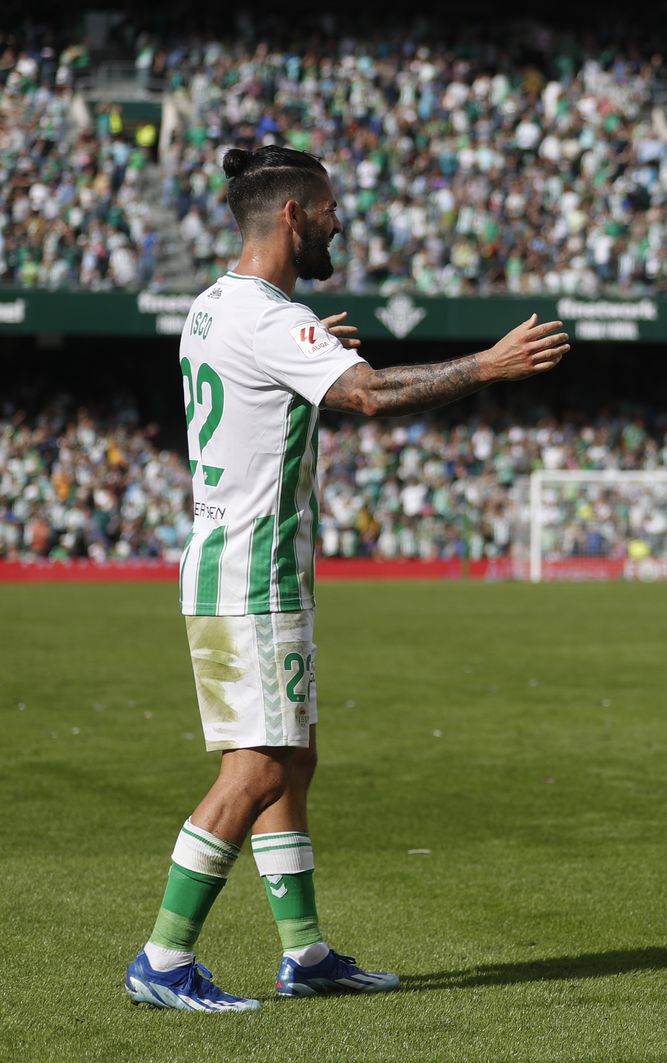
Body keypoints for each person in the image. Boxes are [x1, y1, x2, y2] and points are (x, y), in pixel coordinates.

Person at [124, 144, 570, 1012]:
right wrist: (489, 364)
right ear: (292, 213)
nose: (339, 222)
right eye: (329, 208)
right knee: (257, 770)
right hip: (253, 571)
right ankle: (163, 958)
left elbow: (265, 380)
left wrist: (307, 348)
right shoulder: (272, 319)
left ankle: (306, 953)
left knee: (292, 760)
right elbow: (367, 395)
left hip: (236, 563)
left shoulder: (214, 306)